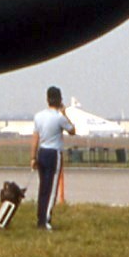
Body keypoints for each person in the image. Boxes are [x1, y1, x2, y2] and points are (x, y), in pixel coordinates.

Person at [30, 86, 76, 230]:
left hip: (42, 152)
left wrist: (33, 157)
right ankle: (46, 220)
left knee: (43, 187)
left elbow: (35, 138)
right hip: (54, 153)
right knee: (52, 188)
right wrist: (64, 113)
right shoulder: (59, 117)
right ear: (60, 100)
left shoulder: (39, 116)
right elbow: (72, 130)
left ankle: (40, 217)